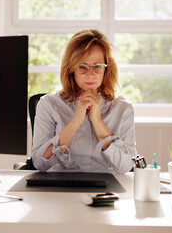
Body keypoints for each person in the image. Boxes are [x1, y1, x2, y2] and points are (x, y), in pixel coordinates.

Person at [31, 29, 137, 173]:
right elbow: (39, 163)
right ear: (71, 68)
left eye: (98, 66)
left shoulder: (123, 108)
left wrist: (98, 121)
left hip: (107, 187)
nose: (90, 74)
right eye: (82, 66)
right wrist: (76, 121)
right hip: (60, 185)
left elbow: (126, 166)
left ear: (107, 69)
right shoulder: (48, 104)